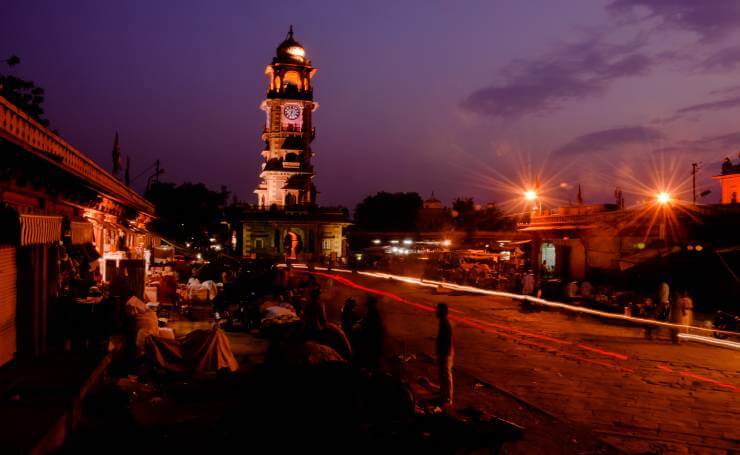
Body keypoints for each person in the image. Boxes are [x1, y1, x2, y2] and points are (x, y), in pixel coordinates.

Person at [354, 295, 384, 371]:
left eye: (368, 303)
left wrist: (360, 326)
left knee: (372, 364)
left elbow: (369, 327)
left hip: (371, 343)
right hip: (373, 343)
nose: (367, 305)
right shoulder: (372, 312)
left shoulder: (373, 313)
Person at [436, 303, 454, 406]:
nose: (436, 312)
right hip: (444, 354)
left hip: (445, 354)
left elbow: (447, 341)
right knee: (443, 376)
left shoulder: (445, 324)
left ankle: (447, 399)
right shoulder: (443, 322)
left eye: (437, 310)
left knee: (446, 376)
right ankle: (444, 396)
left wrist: (444, 355)